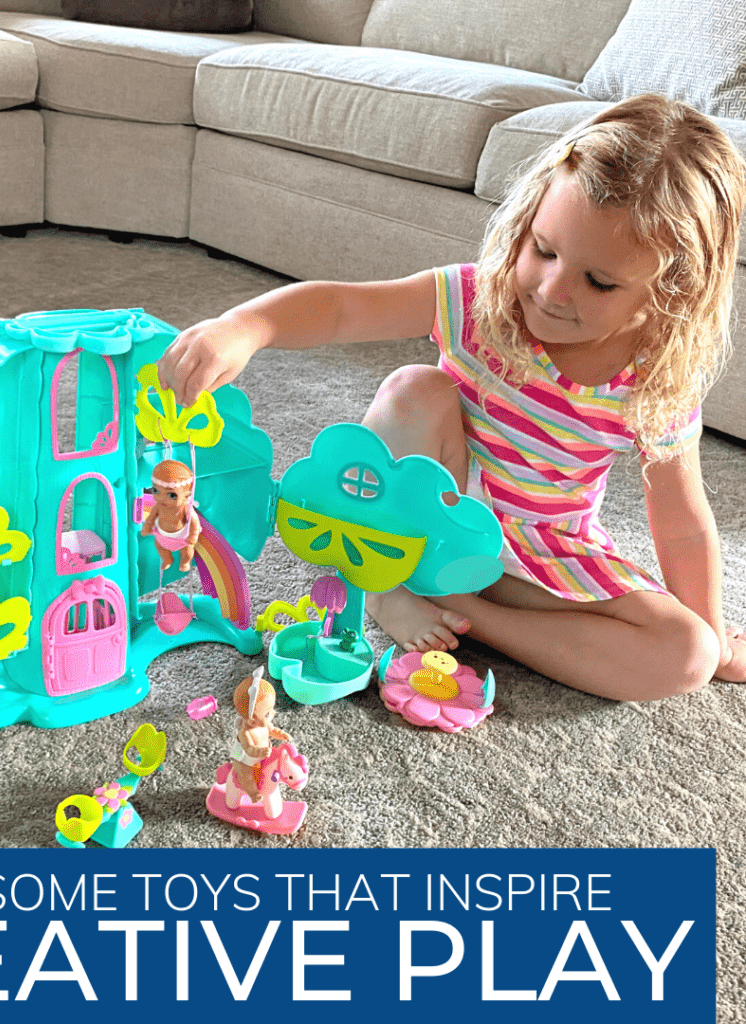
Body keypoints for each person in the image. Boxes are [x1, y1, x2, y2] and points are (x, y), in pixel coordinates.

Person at [158, 94, 746, 701]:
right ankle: (388, 585)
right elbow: (342, 307)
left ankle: (463, 610)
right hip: (426, 523)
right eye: (543, 249)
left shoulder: (654, 376)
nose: (550, 289)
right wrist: (245, 327)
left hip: (541, 557)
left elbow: (681, 521)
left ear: (672, 290)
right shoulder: (474, 299)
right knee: (413, 388)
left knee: (688, 654)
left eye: (598, 281)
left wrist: (714, 632)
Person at [228, 667, 292, 801]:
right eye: (268, 713)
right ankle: (252, 794)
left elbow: (273, 730)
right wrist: (260, 752)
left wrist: (282, 734)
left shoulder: (264, 724)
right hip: (245, 759)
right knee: (245, 775)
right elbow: (249, 749)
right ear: (252, 721)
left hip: (263, 754)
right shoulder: (245, 733)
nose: (273, 714)